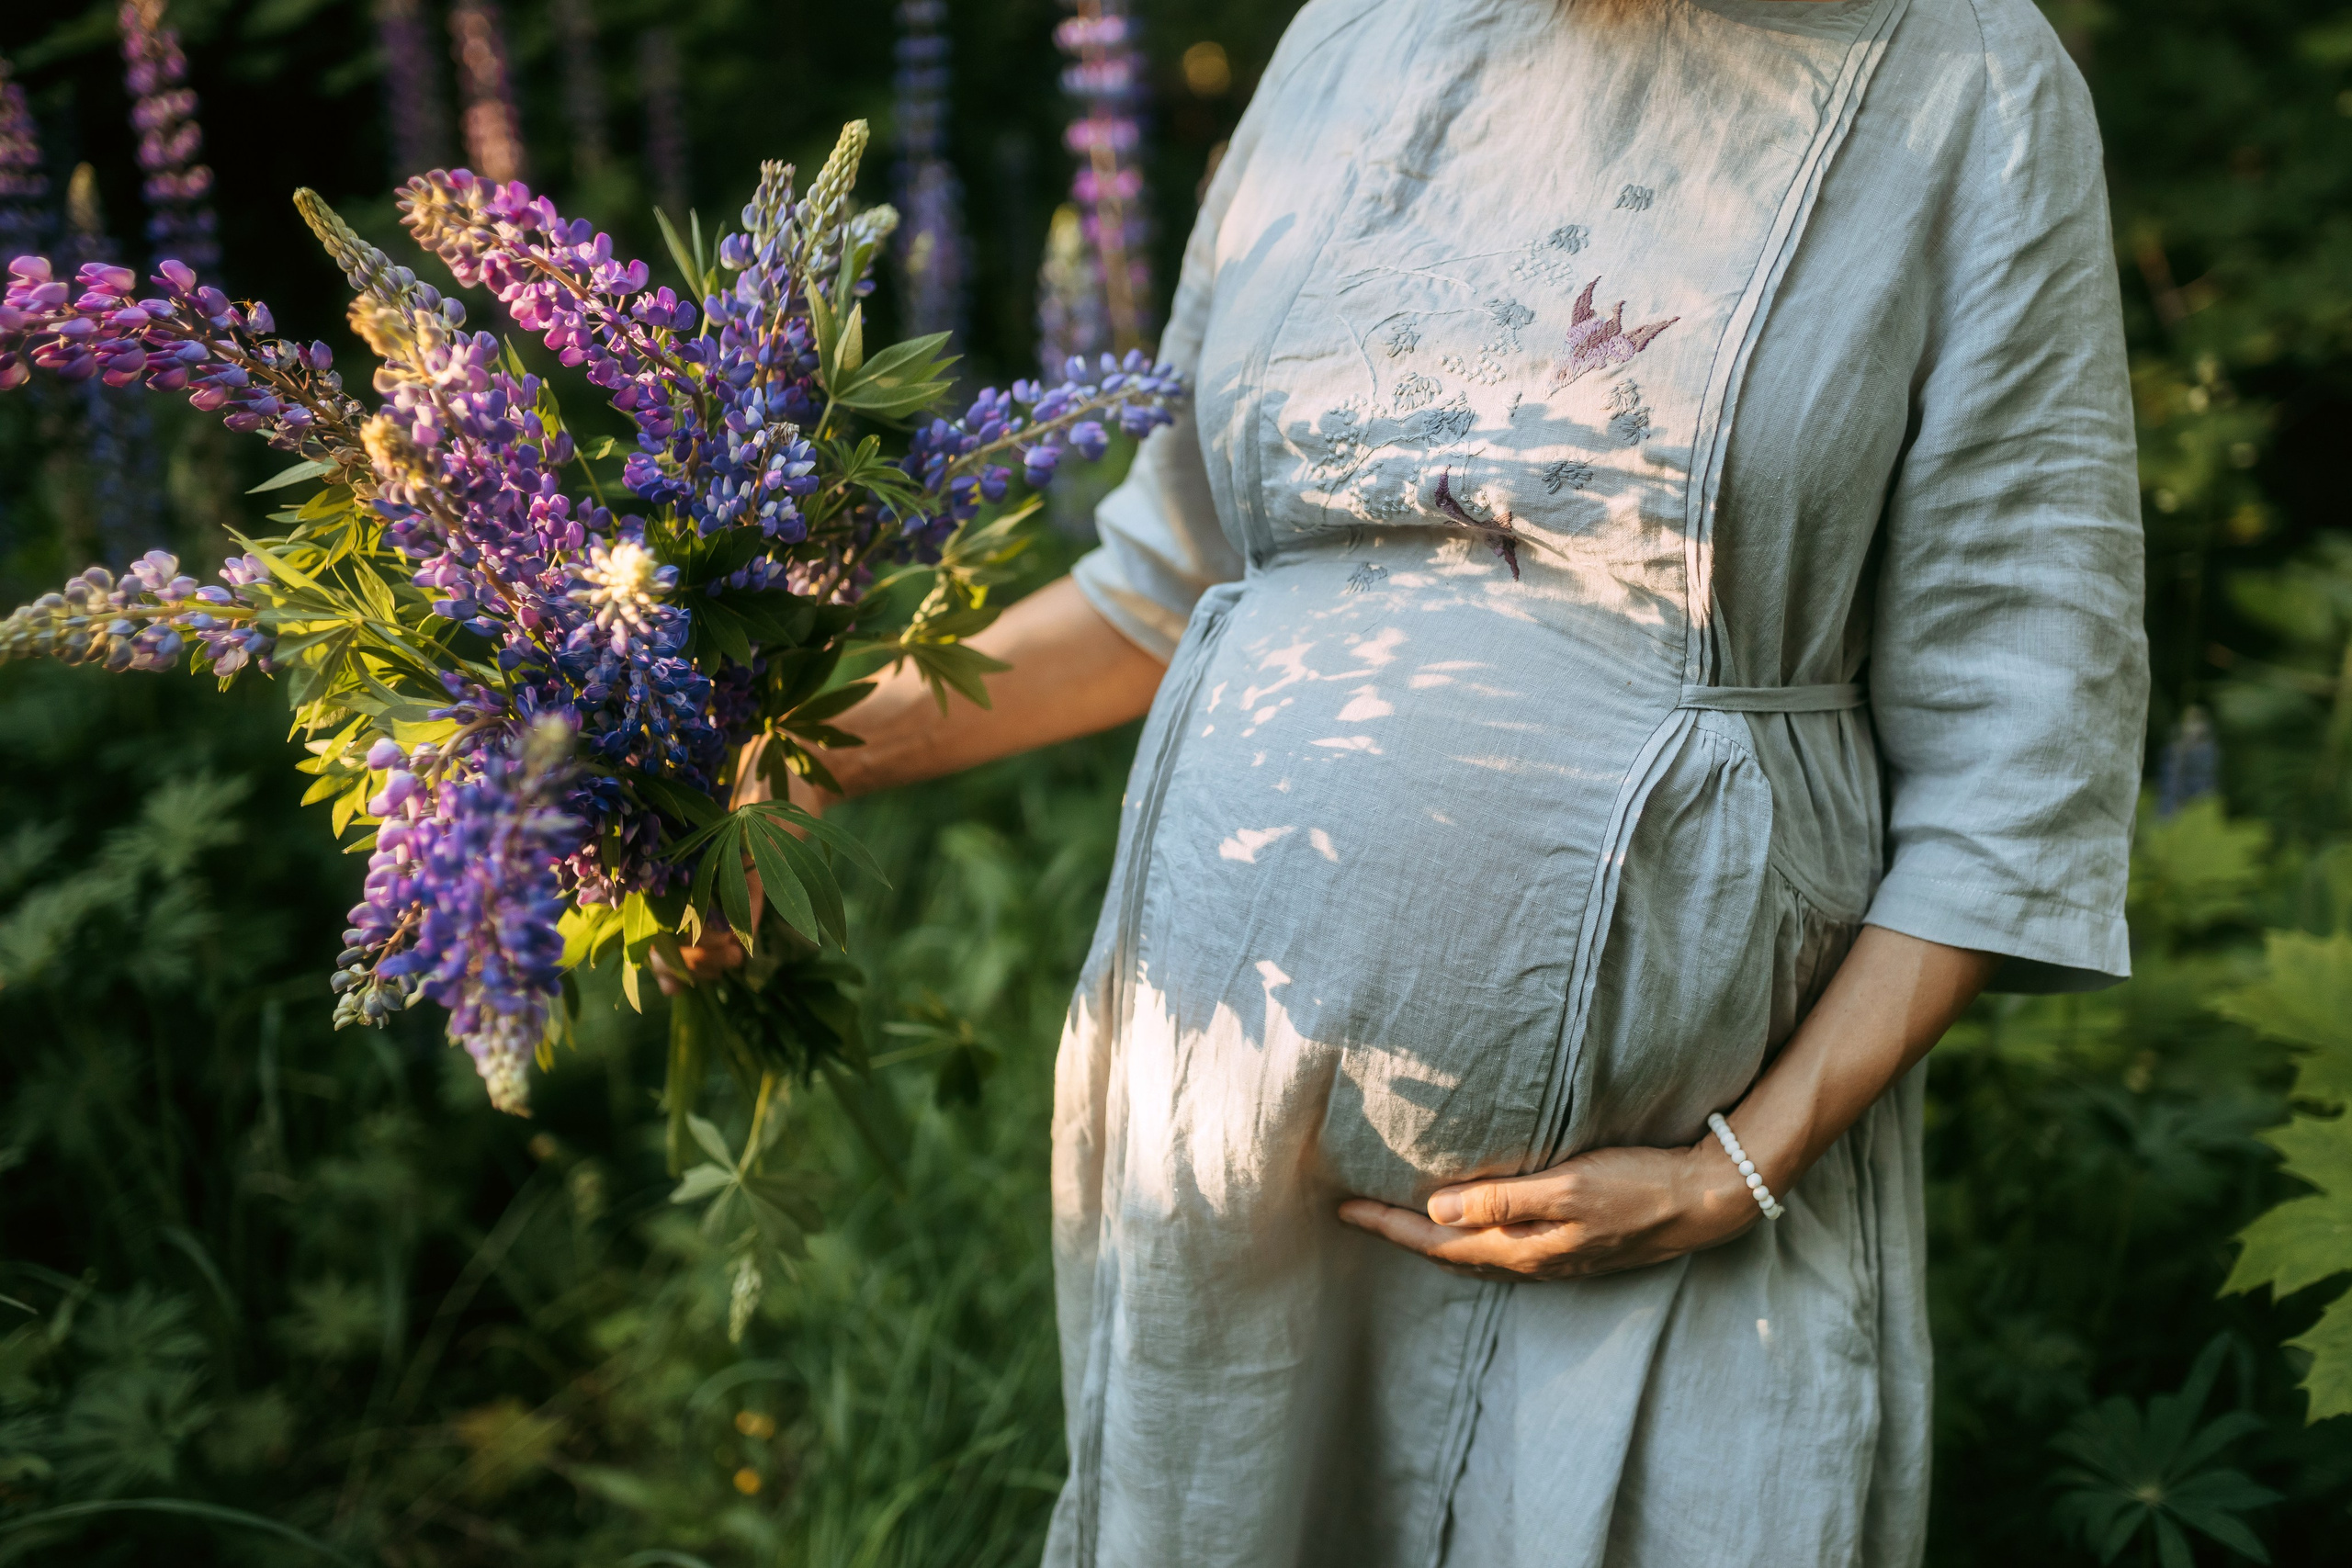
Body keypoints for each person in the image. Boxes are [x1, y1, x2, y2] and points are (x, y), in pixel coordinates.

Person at [701, 0, 2147, 1561]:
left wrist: (1737, 1170)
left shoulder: (1972, 81)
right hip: (1235, 1168)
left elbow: (2020, 765)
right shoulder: (1352, 39)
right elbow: (1163, 577)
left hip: (1662, 1222)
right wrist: (786, 761)